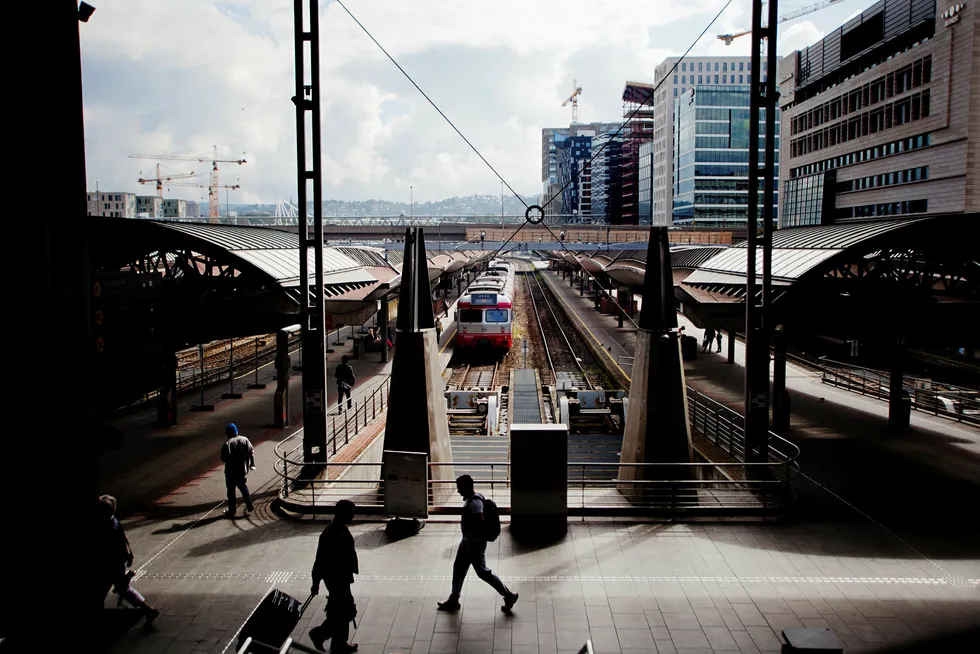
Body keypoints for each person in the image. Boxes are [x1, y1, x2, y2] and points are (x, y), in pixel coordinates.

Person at [437, 475, 518, 614]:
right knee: (459, 568)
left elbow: (479, 520)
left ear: (467, 487)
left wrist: (475, 534)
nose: (458, 491)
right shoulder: (475, 498)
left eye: (460, 488)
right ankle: (454, 598)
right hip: (467, 542)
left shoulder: (475, 503)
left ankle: (508, 595)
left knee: (482, 572)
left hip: (473, 544)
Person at [97, 494, 159, 625]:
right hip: (116, 562)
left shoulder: (107, 528)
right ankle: (148, 610)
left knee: (121, 589)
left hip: (110, 564)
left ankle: (148, 610)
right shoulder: (114, 521)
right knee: (121, 588)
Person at [309, 500, 359, 653]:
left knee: (341, 611)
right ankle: (320, 634)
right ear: (342, 514)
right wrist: (315, 582)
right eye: (351, 513)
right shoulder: (330, 534)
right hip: (335, 579)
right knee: (346, 611)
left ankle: (339, 643)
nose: (353, 516)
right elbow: (320, 560)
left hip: (341, 577)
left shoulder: (340, 530)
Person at [220, 423, 255, 518]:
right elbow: (251, 452)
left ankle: (232, 511)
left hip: (231, 472)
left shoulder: (228, 443)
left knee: (231, 491)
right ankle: (248, 504)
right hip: (242, 470)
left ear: (228, 433)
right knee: (243, 487)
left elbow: (223, 458)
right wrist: (252, 464)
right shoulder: (245, 440)